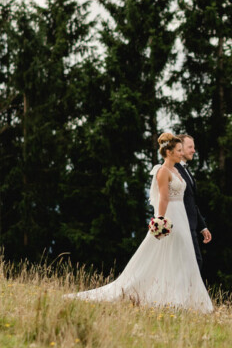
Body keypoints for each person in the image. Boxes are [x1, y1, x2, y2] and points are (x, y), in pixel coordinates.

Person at [66, 132, 213, 312]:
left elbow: (189, 199)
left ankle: (185, 298)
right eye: (179, 150)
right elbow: (163, 199)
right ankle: (164, 295)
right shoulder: (163, 171)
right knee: (167, 255)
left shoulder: (178, 170)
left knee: (184, 256)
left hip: (183, 217)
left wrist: (200, 223)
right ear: (169, 152)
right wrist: (160, 220)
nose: (181, 153)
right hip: (172, 216)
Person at [175, 133, 212, 274]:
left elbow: (192, 203)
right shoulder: (173, 170)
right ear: (180, 148)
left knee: (194, 262)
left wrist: (202, 227)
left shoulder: (186, 171)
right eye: (190, 147)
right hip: (180, 225)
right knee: (195, 262)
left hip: (191, 225)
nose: (194, 151)